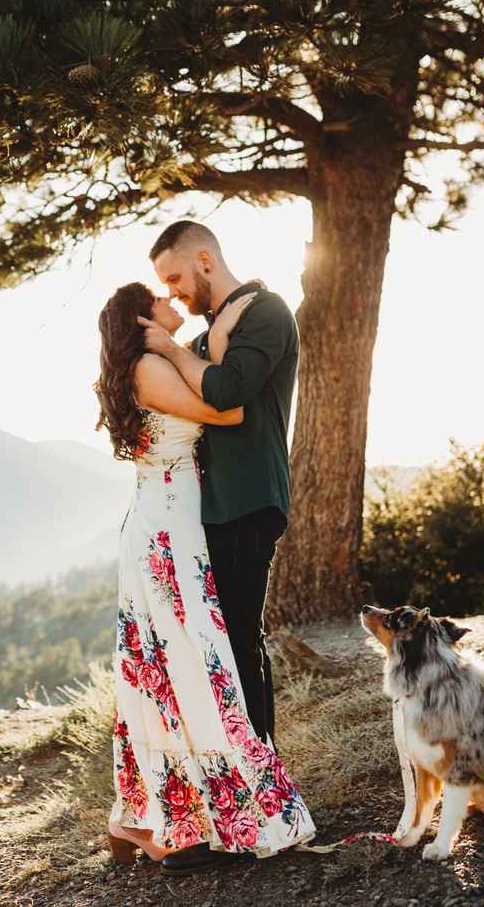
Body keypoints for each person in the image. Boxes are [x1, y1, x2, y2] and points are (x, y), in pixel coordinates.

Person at [95, 277, 316, 878]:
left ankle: (146, 817)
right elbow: (228, 407)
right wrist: (191, 346)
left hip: (176, 523)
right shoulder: (150, 367)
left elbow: (210, 369)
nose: (172, 302)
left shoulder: (161, 361)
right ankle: (158, 817)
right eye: (160, 299)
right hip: (166, 531)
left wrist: (214, 334)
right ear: (143, 321)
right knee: (183, 666)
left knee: (178, 668)